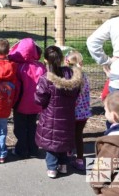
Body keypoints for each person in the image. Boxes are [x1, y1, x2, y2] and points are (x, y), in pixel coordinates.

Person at [35, 45, 82, 178]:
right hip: (68, 115)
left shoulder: (46, 78)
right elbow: (77, 91)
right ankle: (63, 165)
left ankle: (51, 168)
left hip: (50, 116)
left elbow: (39, 99)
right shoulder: (71, 74)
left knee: (52, 143)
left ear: (45, 60)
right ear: (62, 58)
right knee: (63, 140)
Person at [8, 38, 46, 159]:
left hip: (20, 103)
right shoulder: (41, 67)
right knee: (32, 126)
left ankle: (22, 150)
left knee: (20, 128)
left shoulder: (17, 67)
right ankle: (33, 149)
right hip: (36, 103)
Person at [65, 49, 91, 171]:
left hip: (71, 112)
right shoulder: (84, 76)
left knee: (69, 133)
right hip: (84, 112)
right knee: (78, 135)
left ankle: (68, 152)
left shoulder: (69, 78)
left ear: (67, 62)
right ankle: (80, 159)